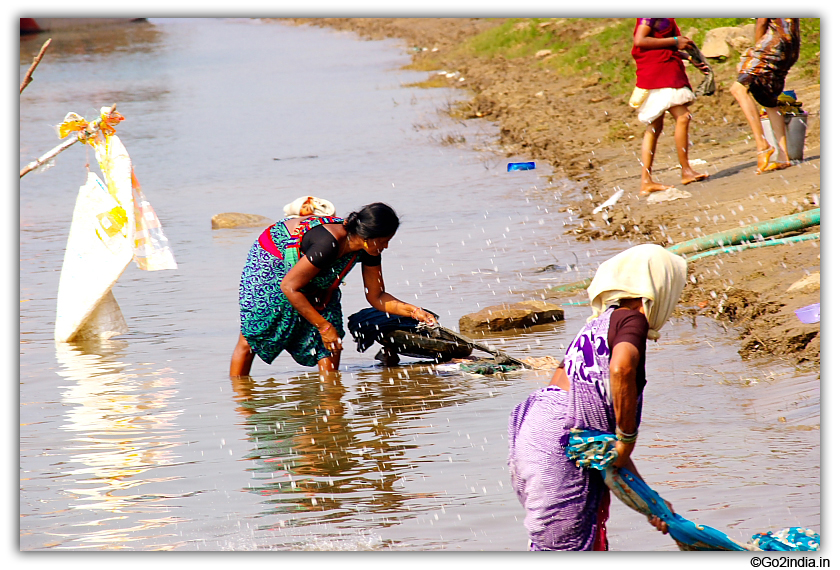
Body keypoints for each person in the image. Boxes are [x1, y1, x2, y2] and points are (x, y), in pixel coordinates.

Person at [508, 244, 687, 550]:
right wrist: (627, 437)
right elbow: (622, 369)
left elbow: (603, 451)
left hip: (533, 435)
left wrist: (653, 506)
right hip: (558, 442)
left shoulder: (595, 329)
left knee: (554, 542)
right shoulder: (632, 320)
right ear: (659, 288)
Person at [230, 202, 437, 376]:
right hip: (274, 260)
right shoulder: (328, 243)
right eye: (384, 241)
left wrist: (414, 311)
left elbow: (376, 295)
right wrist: (323, 327)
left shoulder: (369, 249)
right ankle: (240, 400)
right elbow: (289, 286)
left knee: (332, 337)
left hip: (312, 272)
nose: (386, 247)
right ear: (367, 236)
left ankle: (330, 397)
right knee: (253, 334)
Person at [631, 18, 711, 195]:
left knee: (654, 126)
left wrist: (689, 57)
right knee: (683, 117)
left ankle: (646, 180)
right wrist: (675, 41)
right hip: (659, 70)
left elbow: (659, 44)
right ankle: (686, 170)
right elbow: (640, 40)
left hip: (661, 67)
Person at [729, 18, 801, 174]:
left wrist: (757, 47)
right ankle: (783, 156)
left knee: (738, 90)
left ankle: (762, 145)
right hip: (792, 46)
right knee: (769, 98)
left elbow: (762, 21)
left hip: (773, 42)